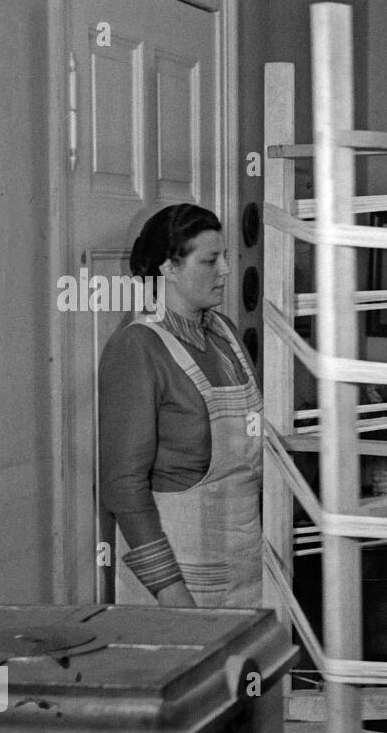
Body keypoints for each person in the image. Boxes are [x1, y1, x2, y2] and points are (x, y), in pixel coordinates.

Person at [98, 204, 263, 607]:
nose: (226, 269)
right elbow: (122, 485)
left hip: (247, 565)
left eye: (223, 257)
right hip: (179, 579)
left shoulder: (224, 333)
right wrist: (173, 596)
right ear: (167, 269)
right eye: (210, 260)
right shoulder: (138, 347)